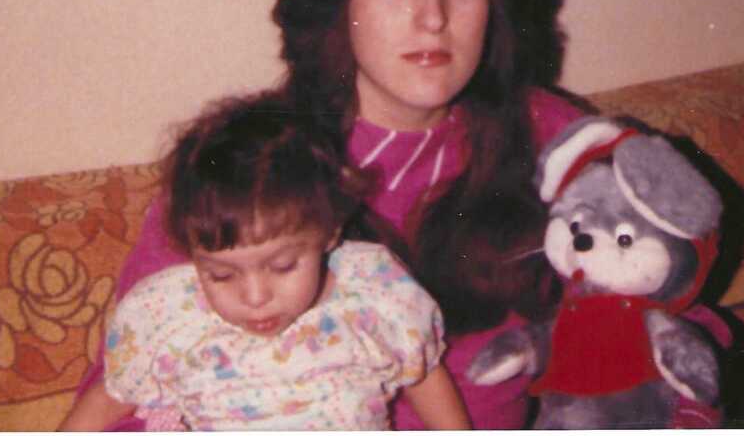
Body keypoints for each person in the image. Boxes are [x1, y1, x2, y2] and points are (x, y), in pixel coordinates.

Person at [74, 0, 729, 429]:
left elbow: (666, 300)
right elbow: (126, 390)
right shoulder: (250, 163)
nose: (432, 15)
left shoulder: (553, 136)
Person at [61, 92, 470, 431]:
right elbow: (106, 400)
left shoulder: (375, 294)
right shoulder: (166, 315)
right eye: (221, 274)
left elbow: (427, 380)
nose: (255, 297)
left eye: (283, 266)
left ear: (329, 232)